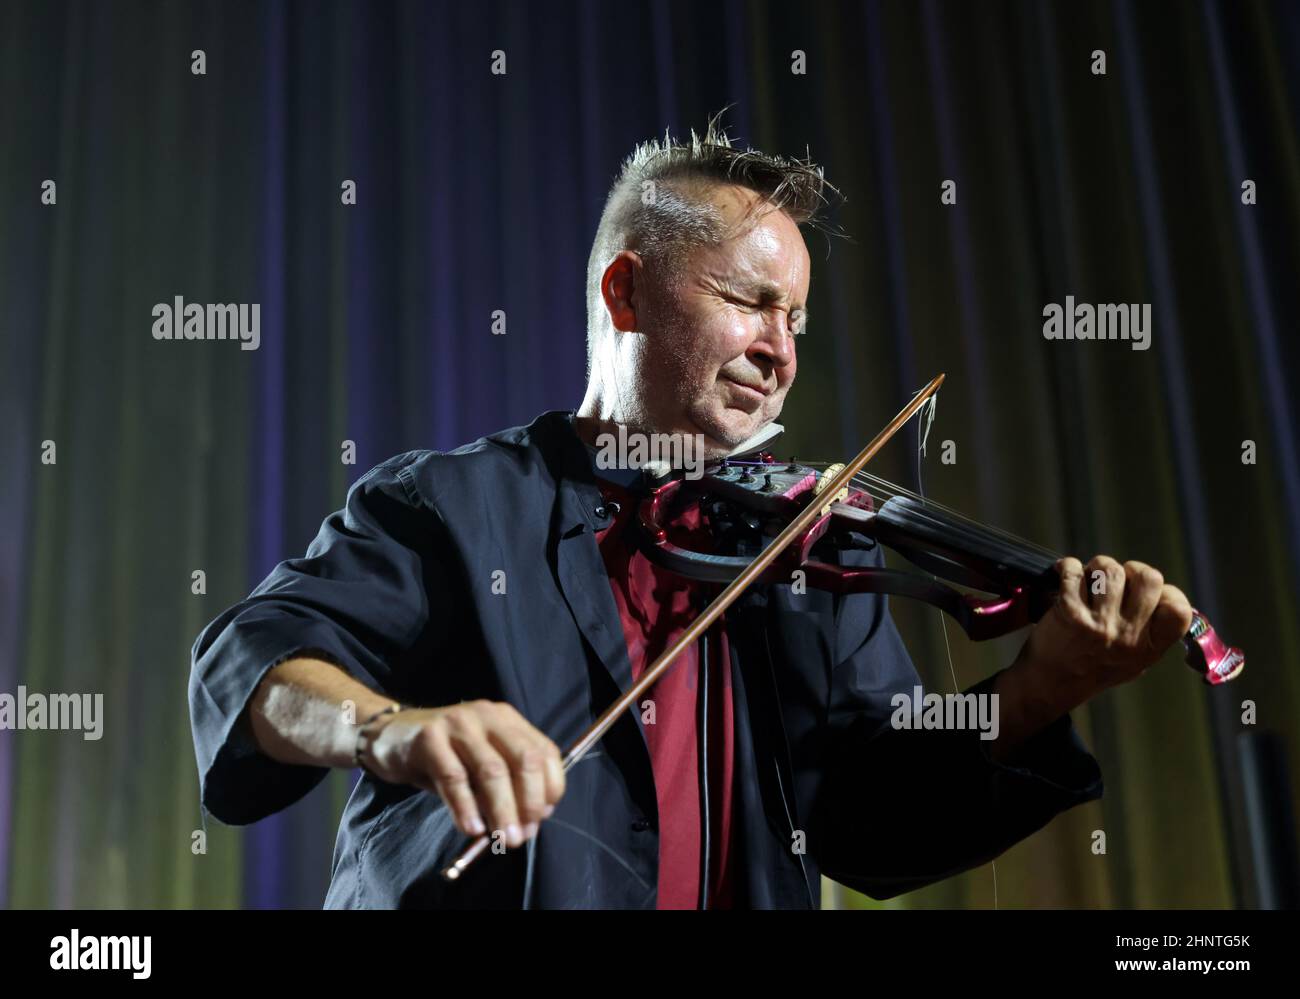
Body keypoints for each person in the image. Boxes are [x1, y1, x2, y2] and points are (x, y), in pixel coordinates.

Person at [188, 119, 1194, 909]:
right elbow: (255, 661)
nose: (781, 349)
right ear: (626, 293)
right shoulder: (450, 504)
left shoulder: (804, 549)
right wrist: (391, 731)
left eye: (795, 319)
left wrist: (1042, 686)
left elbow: (872, 826)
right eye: (751, 301)